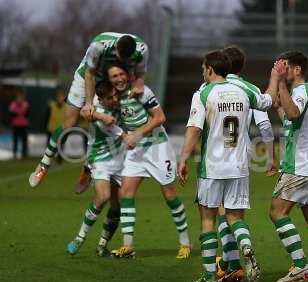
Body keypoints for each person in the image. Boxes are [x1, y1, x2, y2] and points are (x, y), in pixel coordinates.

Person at [178, 50, 284, 282]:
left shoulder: (203, 93)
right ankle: (245, 245)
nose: (202, 73)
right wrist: (275, 78)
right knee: (235, 217)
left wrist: (183, 158)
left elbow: (194, 129)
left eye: (203, 69)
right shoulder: (246, 90)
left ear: (209, 69)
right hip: (239, 166)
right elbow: (267, 100)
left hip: (212, 167)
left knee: (208, 219)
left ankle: (208, 276)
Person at [29, 32, 148, 188]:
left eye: (126, 60)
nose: (123, 61)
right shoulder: (98, 46)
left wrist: (136, 90)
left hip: (113, 78)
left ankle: (89, 166)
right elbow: (90, 74)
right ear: (116, 48)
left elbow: (139, 75)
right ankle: (44, 164)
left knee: (113, 121)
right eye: (120, 57)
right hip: (88, 75)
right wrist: (89, 104)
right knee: (69, 123)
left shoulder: (142, 49)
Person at [100, 63, 191, 260]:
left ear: (128, 74)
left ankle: (185, 242)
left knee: (169, 194)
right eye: (114, 76)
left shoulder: (141, 92)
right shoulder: (114, 97)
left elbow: (160, 117)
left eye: (121, 74)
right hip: (136, 150)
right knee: (126, 193)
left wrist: (138, 134)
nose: (119, 79)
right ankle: (128, 245)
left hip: (157, 147)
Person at [214, 45, 278, 282]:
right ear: (242, 66)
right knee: (236, 214)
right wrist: (271, 158)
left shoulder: (210, 87)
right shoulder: (249, 89)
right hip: (241, 156)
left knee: (220, 210)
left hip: (215, 156)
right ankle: (242, 252)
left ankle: (231, 264)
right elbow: (265, 127)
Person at [269, 51, 308, 282]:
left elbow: (294, 112)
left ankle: (301, 266)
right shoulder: (306, 93)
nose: (282, 72)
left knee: (277, 212)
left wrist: (282, 89)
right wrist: (278, 99)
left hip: (300, 165)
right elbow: (289, 115)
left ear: (297, 70)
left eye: (286, 67)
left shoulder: (302, 91)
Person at [66, 80, 127, 257]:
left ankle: (102, 245)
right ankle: (79, 238)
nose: (114, 99)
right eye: (110, 98)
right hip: (100, 158)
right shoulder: (93, 109)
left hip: (120, 160)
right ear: (100, 99)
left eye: (115, 95)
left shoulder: (120, 100)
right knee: (103, 197)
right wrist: (101, 116)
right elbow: (108, 125)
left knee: (118, 206)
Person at [46, 90, 66, 164]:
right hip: (51, 129)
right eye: (59, 97)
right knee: (50, 146)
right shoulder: (51, 105)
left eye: (61, 97)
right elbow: (46, 116)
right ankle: (48, 160)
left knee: (60, 146)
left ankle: (59, 160)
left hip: (62, 129)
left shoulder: (66, 106)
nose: (60, 98)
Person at [9, 91, 29, 159]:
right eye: (18, 97)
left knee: (24, 140)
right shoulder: (13, 104)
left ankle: (24, 154)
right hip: (15, 125)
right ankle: (14, 154)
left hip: (23, 125)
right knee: (15, 140)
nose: (20, 99)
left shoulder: (25, 104)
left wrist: (19, 112)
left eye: (21, 97)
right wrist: (20, 111)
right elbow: (12, 114)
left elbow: (27, 114)